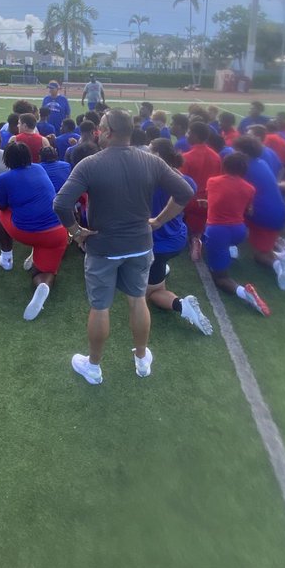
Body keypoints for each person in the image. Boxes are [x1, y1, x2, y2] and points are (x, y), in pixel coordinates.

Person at [53, 109, 195, 383]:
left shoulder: (90, 164)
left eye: (101, 127)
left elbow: (60, 203)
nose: (98, 131)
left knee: (100, 306)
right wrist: (156, 221)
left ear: (108, 131)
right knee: (137, 300)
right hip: (140, 245)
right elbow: (185, 192)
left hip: (103, 248)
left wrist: (75, 232)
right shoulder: (151, 161)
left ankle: (94, 366)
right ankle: (142, 359)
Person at [0, 141, 70, 321]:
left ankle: (6, 258)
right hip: (58, 232)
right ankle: (43, 285)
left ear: (7, 159)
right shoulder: (39, 169)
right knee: (43, 272)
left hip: (27, 232)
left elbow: (2, 204)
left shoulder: (4, 178)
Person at [144, 138, 213, 334]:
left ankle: (182, 306)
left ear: (157, 156)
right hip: (177, 239)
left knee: (153, 293)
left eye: (150, 150)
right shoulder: (186, 180)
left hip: (157, 244)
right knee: (158, 268)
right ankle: (161, 270)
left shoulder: (149, 181)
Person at [204, 152, 270, 314]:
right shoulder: (250, 188)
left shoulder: (212, 181)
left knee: (220, 277)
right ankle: (229, 251)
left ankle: (244, 293)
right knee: (225, 246)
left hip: (217, 231)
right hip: (239, 232)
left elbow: (214, 199)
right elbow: (249, 210)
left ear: (224, 166)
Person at [232, 136, 285, 288]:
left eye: (235, 150)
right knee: (262, 245)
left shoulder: (245, 168)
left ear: (243, 153)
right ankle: (278, 255)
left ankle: (277, 263)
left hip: (264, 215)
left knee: (260, 255)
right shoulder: (261, 162)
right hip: (277, 212)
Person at [181, 120, 222, 260]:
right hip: (209, 201)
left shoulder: (186, 157)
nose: (186, 135)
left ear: (195, 136)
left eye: (189, 132)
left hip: (190, 202)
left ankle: (193, 237)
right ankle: (198, 237)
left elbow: (181, 184)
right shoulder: (216, 157)